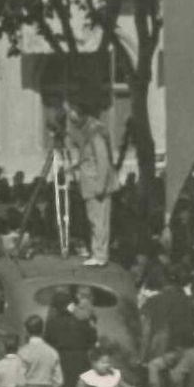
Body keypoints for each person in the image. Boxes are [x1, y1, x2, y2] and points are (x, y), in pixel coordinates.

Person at [67, 102, 114, 266]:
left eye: (74, 119)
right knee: (94, 220)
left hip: (95, 185)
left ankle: (100, 255)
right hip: (91, 184)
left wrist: (100, 185)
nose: (73, 123)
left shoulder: (95, 132)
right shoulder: (89, 132)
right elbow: (89, 158)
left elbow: (102, 160)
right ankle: (97, 252)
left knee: (98, 221)